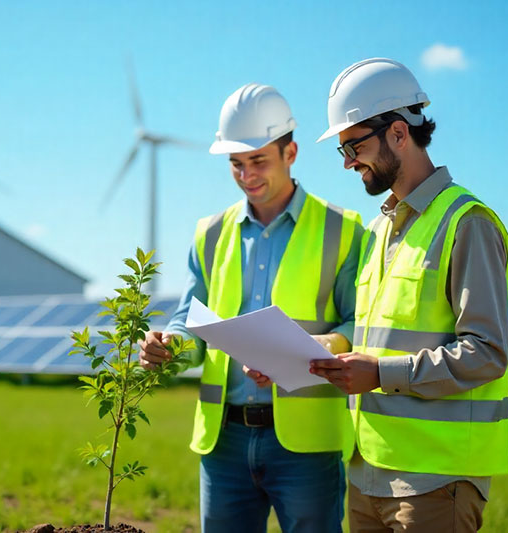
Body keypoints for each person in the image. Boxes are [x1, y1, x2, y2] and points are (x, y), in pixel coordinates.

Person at [139, 83, 363, 533]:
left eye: (258, 161)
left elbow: (360, 324)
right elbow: (190, 324)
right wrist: (169, 346)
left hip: (306, 443)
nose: (247, 176)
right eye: (236, 165)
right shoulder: (210, 234)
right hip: (224, 441)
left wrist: (304, 351)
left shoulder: (344, 230)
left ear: (291, 152)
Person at [310, 58, 508, 532]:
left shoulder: (468, 222)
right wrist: (334, 349)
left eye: (353, 145)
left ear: (399, 133)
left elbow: (488, 353)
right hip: (367, 472)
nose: (346, 162)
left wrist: (380, 373)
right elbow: (380, 336)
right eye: (341, 148)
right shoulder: (379, 230)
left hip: (434, 481)